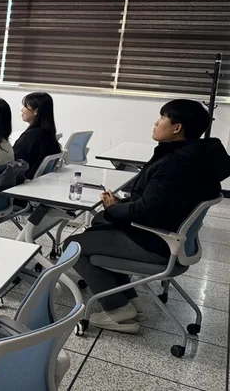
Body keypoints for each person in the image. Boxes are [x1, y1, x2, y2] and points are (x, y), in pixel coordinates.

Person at [65, 99, 230, 333]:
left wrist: (113, 208)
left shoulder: (175, 164)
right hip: (171, 237)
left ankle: (117, 309)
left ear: (177, 127)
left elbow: (147, 212)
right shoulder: (198, 157)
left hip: (154, 241)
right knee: (97, 240)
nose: (155, 122)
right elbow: (162, 202)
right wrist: (121, 205)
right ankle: (129, 304)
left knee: (74, 246)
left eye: (162, 118)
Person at [12, 92, 61, 179]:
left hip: (21, 182)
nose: (22, 110)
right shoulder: (48, 134)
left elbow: (13, 162)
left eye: (25, 107)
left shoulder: (31, 136)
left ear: (36, 111)